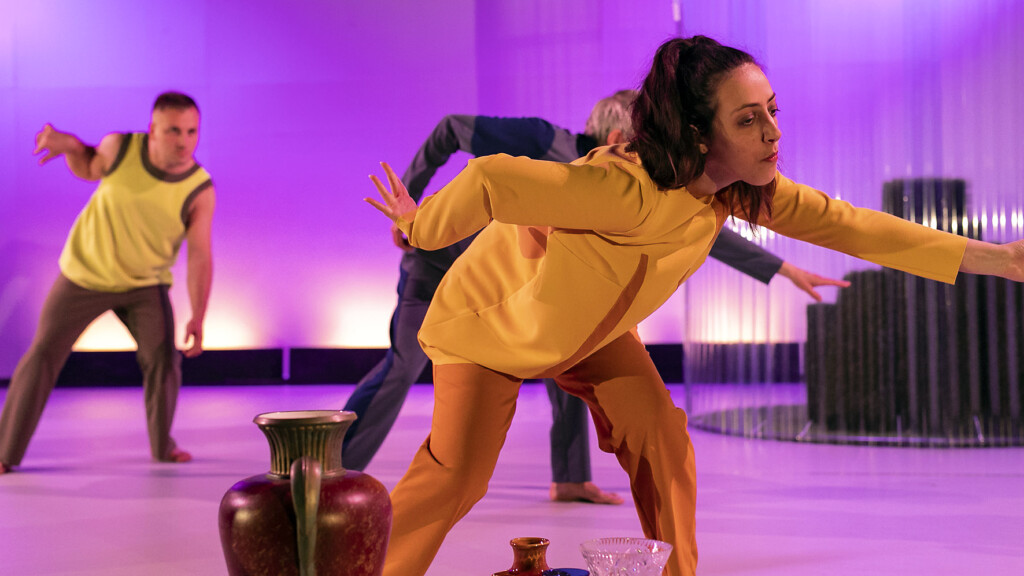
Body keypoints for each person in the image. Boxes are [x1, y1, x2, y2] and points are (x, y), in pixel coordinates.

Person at [365, 35, 1024, 576]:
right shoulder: (622, 188)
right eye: (748, 118)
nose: (771, 132)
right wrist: (418, 227)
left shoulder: (738, 192)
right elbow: (489, 178)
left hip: (591, 334)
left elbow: (852, 225)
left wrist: (999, 258)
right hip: (489, 331)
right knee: (454, 482)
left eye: (772, 110)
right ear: (698, 133)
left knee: (663, 439)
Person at [342, 91, 847, 505]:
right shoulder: (552, 145)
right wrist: (411, 212)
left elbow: (706, 219)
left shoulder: (630, 188)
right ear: (614, 139)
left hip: (514, 293)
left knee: (567, 347)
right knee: (404, 363)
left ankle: (568, 478)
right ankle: (334, 470)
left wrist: (779, 267)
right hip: (436, 269)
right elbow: (453, 127)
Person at [0, 92, 216, 475]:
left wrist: (198, 315)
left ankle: (162, 446)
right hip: (86, 273)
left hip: (145, 285)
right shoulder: (122, 147)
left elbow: (200, 254)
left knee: (164, 360)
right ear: (153, 130)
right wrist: (67, 145)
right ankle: (4, 451)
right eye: (173, 131)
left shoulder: (199, 188)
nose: (183, 140)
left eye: (191, 131)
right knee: (42, 354)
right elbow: (87, 165)